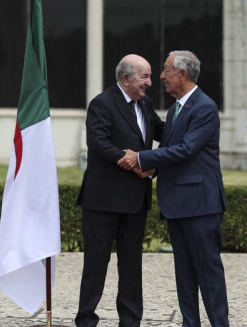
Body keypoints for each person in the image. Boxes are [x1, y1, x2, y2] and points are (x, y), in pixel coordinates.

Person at [118, 50, 230, 327]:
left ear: (183, 74)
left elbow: (186, 149)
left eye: (166, 70)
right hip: (178, 204)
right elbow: (172, 149)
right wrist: (154, 166)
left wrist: (141, 157)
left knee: (208, 273)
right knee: (185, 274)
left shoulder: (204, 107)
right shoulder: (177, 108)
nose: (161, 76)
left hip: (200, 205)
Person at [75, 54, 164, 327]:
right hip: (103, 201)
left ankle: (130, 320)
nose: (149, 82)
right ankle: (86, 319)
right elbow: (98, 141)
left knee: (131, 267)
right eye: (144, 77)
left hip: (135, 201)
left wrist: (150, 162)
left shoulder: (146, 104)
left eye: (150, 76)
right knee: (95, 265)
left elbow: (164, 132)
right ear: (126, 78)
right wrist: (129, 160)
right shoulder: (102, 103)